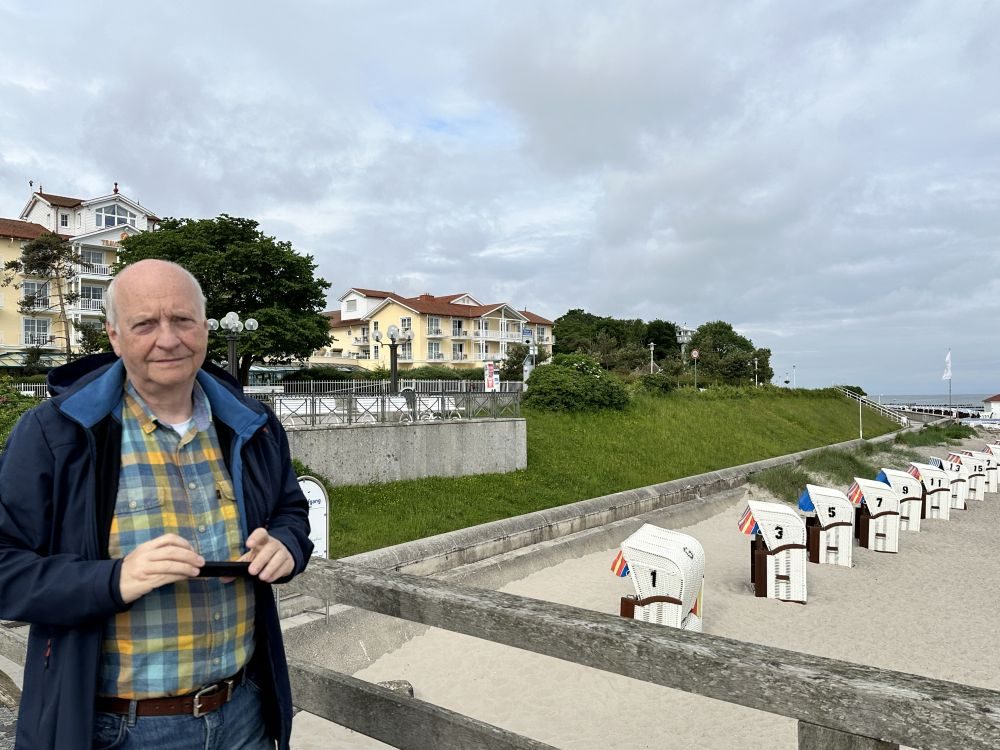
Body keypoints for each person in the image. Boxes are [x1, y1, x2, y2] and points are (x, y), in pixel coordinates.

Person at [0, 259, 312, 749]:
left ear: (204, 327)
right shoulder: (56, 433)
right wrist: (113, 580)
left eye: (182, 319)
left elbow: (291, 510)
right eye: (145, 324)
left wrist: (286, 545)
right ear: (115, 336)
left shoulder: (252, 424)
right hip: (119, 728)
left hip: (244, 713)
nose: (168, 339)